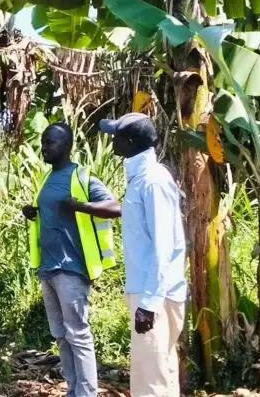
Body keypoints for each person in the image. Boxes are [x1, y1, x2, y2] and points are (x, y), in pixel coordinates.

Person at [87, 112, 186, 397]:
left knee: (150, 382)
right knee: (159, 372)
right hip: (148, 291)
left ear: (129, 142)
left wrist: (149, 303)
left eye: (116, 136)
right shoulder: (140, 177)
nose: (112, 140)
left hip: (154, 294)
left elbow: (163, 245)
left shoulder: (152, 181)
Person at [21, 123, 118, 397]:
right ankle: (73, 390)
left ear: (66, 146)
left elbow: (114, 207)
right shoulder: (47, 178)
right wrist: (33, 212)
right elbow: (51, 214)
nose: (45, 148)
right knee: (61, 336)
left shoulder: (81, 177)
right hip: (48, 269)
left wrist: (79, 206)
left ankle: (87, 392)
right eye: (44, 143)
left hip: (71, 269)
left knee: (78, 334)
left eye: (50, 143)